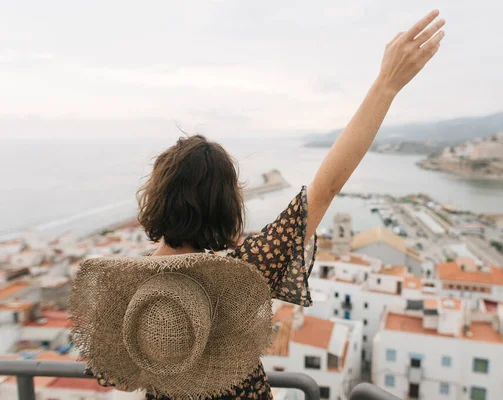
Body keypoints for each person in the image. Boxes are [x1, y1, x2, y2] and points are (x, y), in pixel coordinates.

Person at [79, 9, 445, 400]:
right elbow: (324, 189)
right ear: (225, 207)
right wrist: (386, 85)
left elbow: (116, 377)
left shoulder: (130, 287)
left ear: (157, 196)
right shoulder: (241, 276)